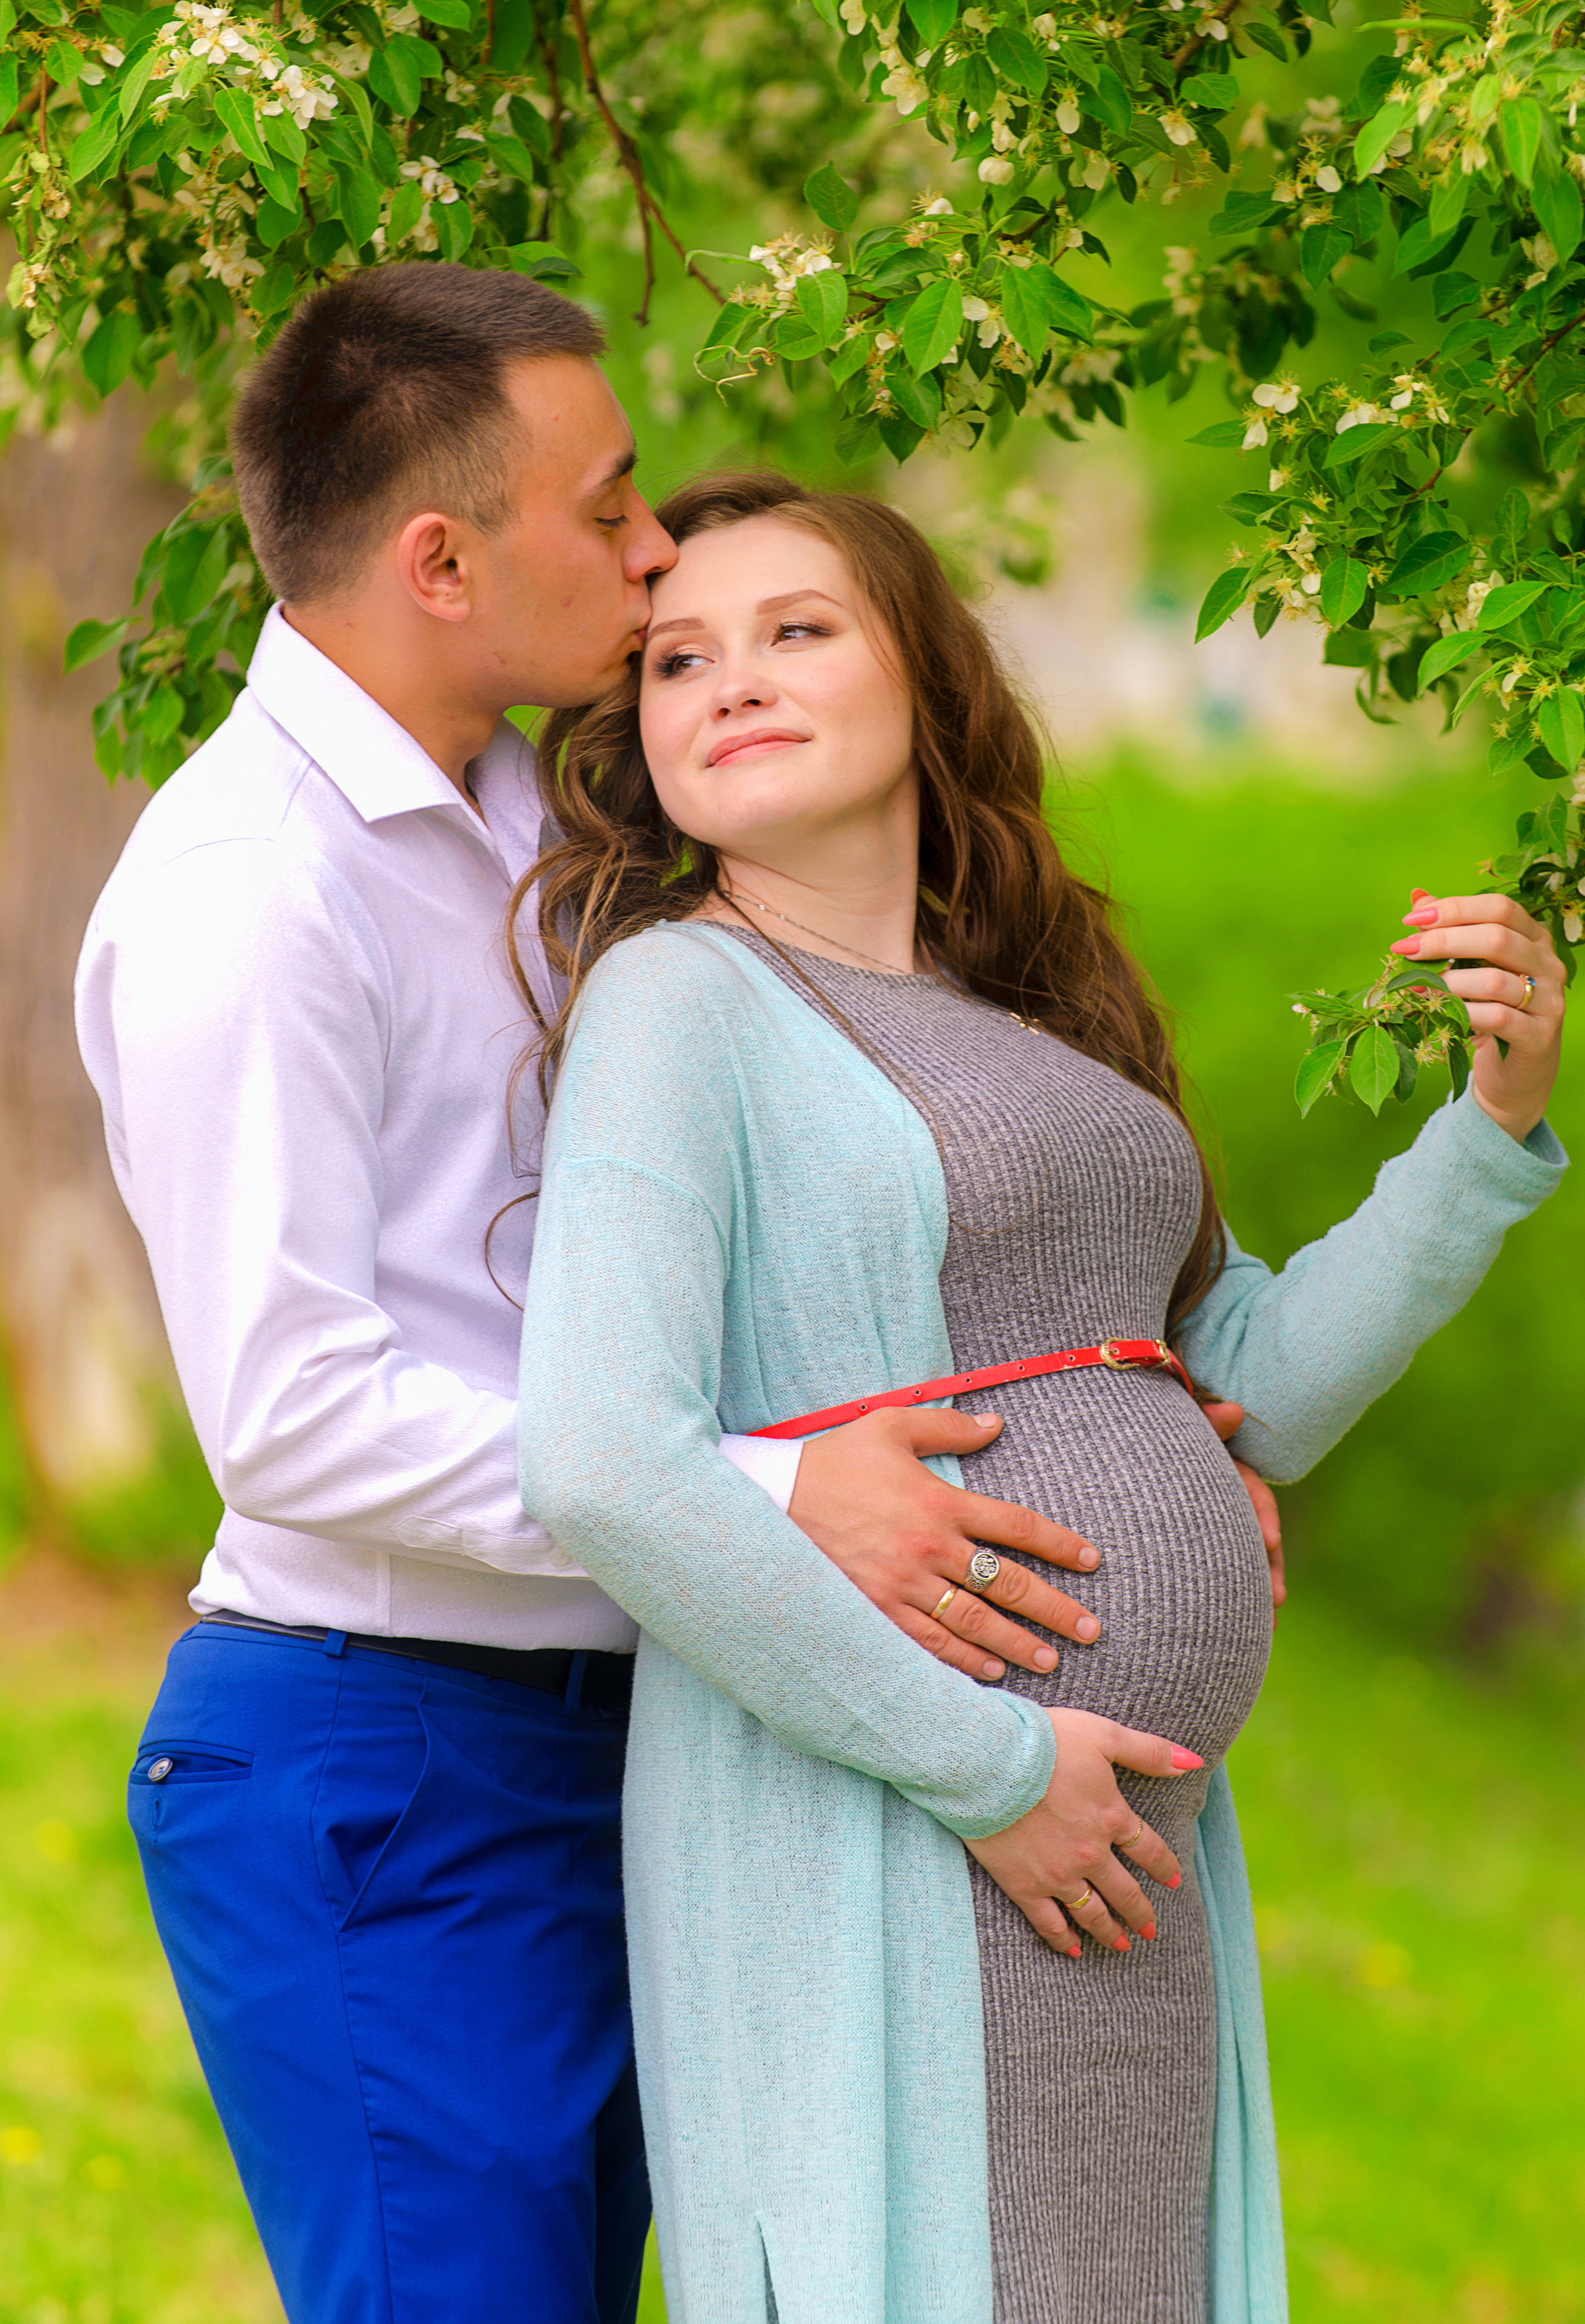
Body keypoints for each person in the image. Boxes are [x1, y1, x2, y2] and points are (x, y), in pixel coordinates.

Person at [73, 265, 1242, 2324]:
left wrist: (1146, 1427)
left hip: (651, 1726)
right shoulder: (243, 894)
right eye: (611, 507)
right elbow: (289, 1414)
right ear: (444, 557)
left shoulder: (558, 810)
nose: (651, 549)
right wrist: (772, 1494)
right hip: (391, 1756)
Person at [516, 471, 1570, 2324]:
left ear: (923, 672)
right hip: (898, 1823)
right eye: (678, 657)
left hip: (1119, 1848)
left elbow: (1237, 1386)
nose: (728, 683)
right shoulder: (682, 1003)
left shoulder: (1049, 1015)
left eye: (797, 630)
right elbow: (605, 1461)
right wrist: (990, 1769)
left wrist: (1482, 1130)